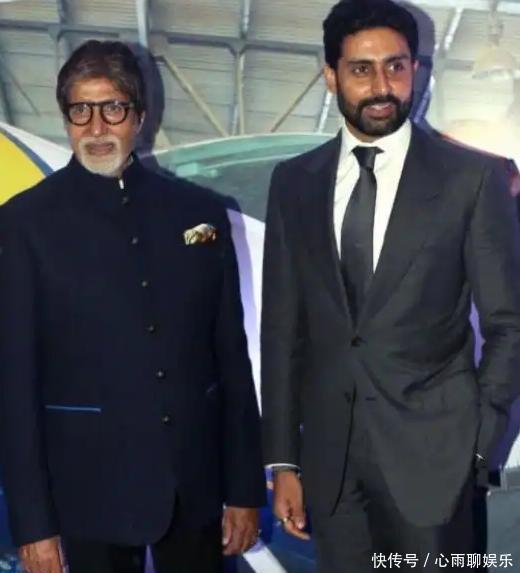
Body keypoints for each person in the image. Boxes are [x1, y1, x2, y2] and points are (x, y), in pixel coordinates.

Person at [260, 1, 520, 571]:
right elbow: (282, 329)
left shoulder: (471, 179)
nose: (382, 87)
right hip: (329, 468)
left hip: (434, 463)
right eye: (361, 69)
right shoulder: (294, 183)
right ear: (331, 76)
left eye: (396, 67)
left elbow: (509, 323)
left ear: (415, 70)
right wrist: (284, 461)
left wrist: (479, 440)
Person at [0, 40, 265, 573]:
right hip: (85, 495)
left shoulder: (200, 213)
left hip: (194, 489)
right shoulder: (24, 224)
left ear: (139, 117)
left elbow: (230, 361)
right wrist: (33, 525)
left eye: (113, 108)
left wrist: (243, 490)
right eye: (81, 110)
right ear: (66, 119)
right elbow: (15, 384)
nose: (96, 127)